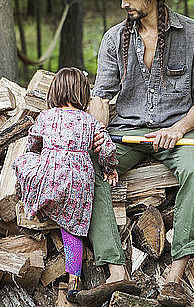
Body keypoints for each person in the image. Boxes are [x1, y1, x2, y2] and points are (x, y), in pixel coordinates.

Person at [79, 0, 194, 307]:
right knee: (88, 168)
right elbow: (101, 96)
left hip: (180, 131)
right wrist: (97, 135)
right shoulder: (114, 40)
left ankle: (174, 276)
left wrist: (179, 128)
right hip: (126, 132)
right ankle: (117, 273)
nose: (123, 3)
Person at [12, 67, 119, 303]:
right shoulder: (91, 122)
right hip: (79, 183)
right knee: (73, 231)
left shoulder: (46, 117)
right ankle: (74, 280)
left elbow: (32, 141)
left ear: (55, 92)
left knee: (23, 162)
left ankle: (40, 206)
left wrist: (40, 151)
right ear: (84, 95)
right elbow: (108, 149)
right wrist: (109, 168)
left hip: (51, 178)